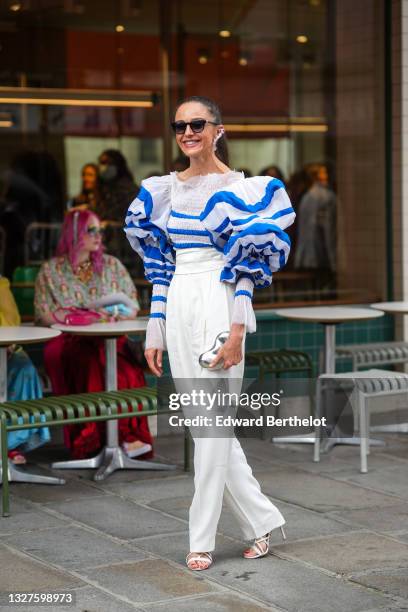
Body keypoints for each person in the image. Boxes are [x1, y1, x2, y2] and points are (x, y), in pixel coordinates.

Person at [125, 95, 295, 571]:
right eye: (179, 125)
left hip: (222, 303)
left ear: (218, 129)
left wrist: (238, 327)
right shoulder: (163, 191)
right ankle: (263, 522)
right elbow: (161, 268)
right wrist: (154, 328)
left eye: (197, 123)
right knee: (206, 427)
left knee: (213, 427)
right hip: (179, 301)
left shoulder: (245, 189)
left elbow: (246, 269)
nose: (187, 132)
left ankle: (199, 537)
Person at [34, 209, 153, 461]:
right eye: (92, 230)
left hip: (110, 338)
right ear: (74, 233)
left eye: (100, 230)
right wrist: (76, 317)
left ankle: (127, 437)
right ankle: (94, 441)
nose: (99, 236)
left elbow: (132, 304)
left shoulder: (112, 265)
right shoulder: (51, 270)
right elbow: (43, 313)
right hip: (67, 340)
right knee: (89, 364)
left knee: (126, 369)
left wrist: (122, 314)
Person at [0, 275, 51, 464]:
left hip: (5, 348)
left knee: (24, 367)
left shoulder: (1, 284)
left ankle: (10, 444)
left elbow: (11, 321)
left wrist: (10, 344)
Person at [293, 163, 336, 285]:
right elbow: (327, 229)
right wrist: (333, 260)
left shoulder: (308, 195)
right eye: (323, 173)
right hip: (319, 254)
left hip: (308, 253)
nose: (326, 176)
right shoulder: (323, 196)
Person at [97, 149, 139, 221]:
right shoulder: (102, 187)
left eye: (109, 163)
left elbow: (134, 220)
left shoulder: (128, 189)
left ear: (118, 166)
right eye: (102, 163)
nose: (104, 167)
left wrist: (110, 226)